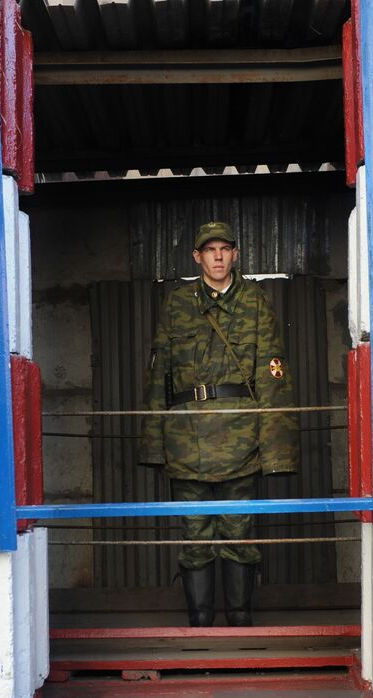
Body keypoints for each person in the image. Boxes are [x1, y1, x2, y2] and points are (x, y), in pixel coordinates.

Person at [138, 221, 299, 626]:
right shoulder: (177, 303)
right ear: (197, 257)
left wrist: (276, 451)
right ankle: (199, 627)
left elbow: (271, 375)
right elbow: (159, 376)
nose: (218, 257)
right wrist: (153, 445)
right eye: (209, 250)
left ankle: (240, 625)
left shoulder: (255, 301)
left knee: (238, 534)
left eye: (225, 249)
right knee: (195, 537)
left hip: (240, 438)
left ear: (235, 254)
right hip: (185, 439)